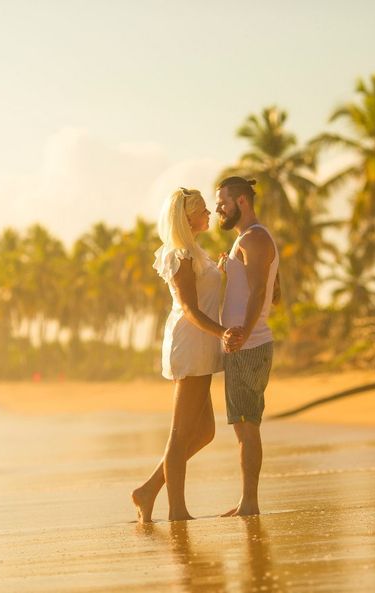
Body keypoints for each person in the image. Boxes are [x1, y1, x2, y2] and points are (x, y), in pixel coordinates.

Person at [131, 187, 244, 523]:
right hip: (191, 343)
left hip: (202, 345)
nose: (210, 214)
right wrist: (222, 332)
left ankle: (149, 489)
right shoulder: (178, 254)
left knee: (205, 431)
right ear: (188, 217)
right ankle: (176, 511)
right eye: (204, 211)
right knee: (179, 435)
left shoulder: (196, 252)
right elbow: (190, 310)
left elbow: (205, 293)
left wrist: (221, 271)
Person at [215, 176, 280, 517]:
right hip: (249, 344)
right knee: (245, 424)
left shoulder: (254, 238)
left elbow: (259, 293)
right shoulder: (250, 238)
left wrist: (244, 333)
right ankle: (247, 501)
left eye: (222, 202)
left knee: (246, 425)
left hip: (248, 346)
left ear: (241, 201)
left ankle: (249, 502)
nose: (218, 210)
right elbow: (274, 291)